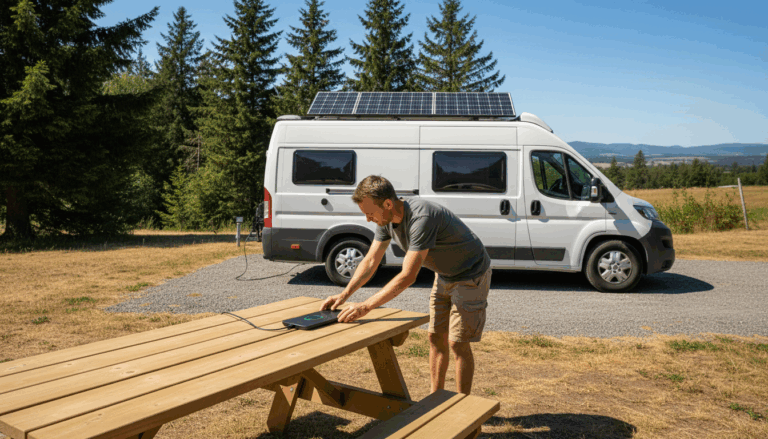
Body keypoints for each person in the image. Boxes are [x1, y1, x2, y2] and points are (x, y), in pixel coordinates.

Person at [320, 175, 492, 395]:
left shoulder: (422, 217)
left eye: (370, 213)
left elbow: (408, 276)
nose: (367, 219)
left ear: (388, 204)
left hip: (471, 274)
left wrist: (364, 307)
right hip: (444, 275)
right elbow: (371, 260)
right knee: (435, 338)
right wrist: (343, 295)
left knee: (457, 343)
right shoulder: (386, 220)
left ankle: (463, 408)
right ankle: (435, 399)